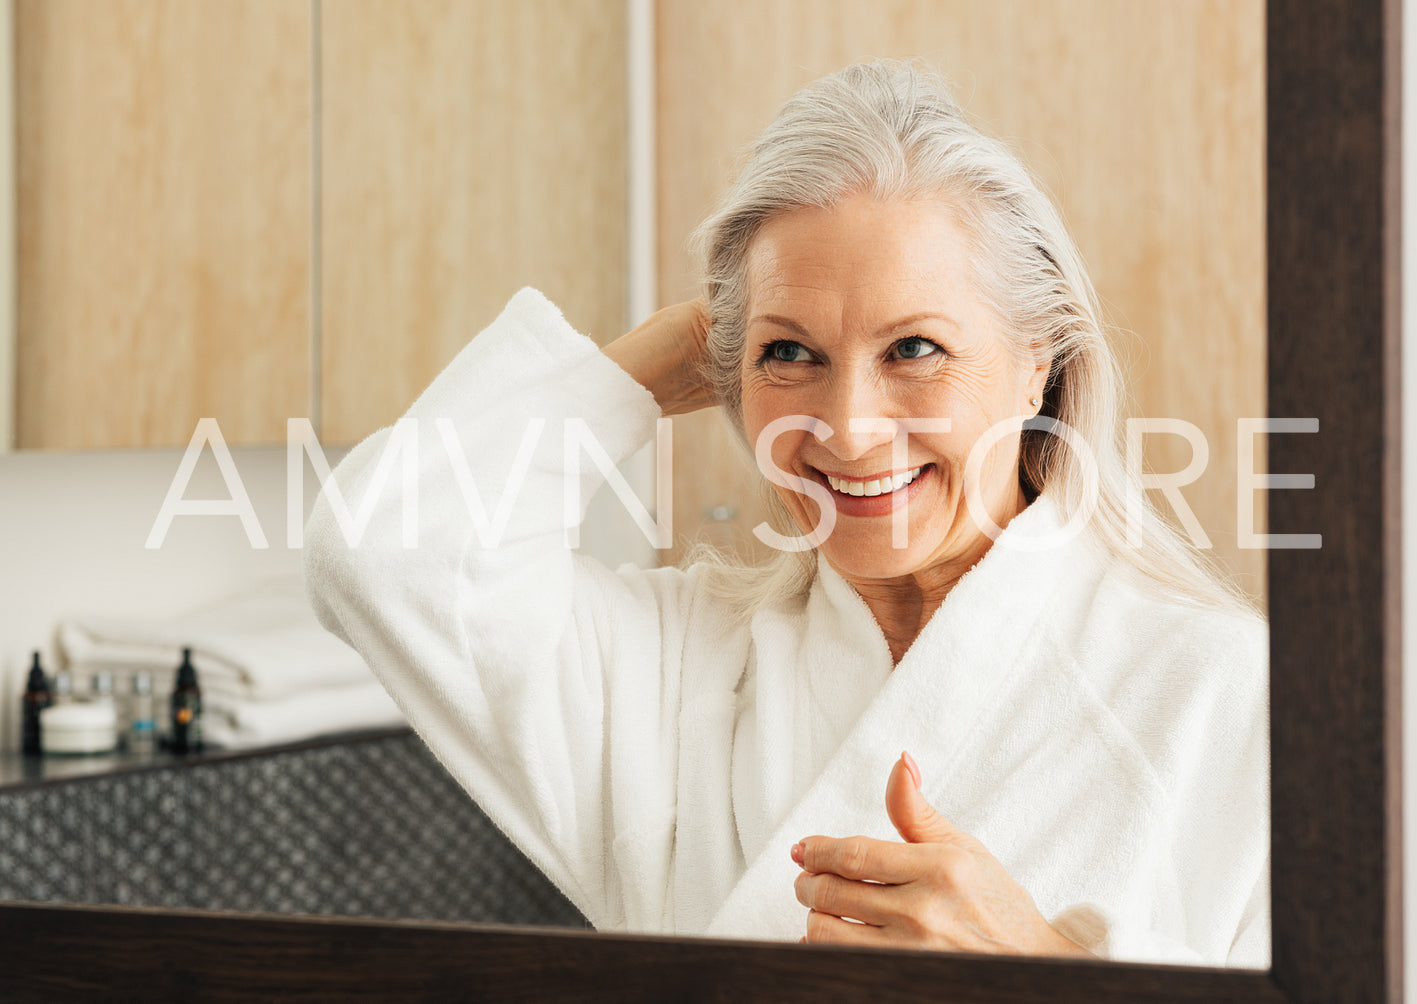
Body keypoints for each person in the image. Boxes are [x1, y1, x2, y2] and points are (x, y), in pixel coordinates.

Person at [303, 60, 1269, 967]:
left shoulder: (1221, 695)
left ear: (1035, 363)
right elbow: (389, 551)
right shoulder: (679, 668)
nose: (846, 431)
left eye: (916, 348)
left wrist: (1049, 980)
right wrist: (653, 362)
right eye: (790, 355)